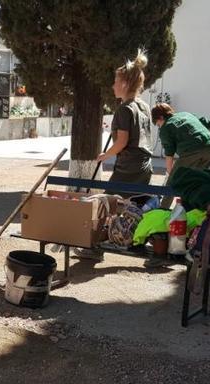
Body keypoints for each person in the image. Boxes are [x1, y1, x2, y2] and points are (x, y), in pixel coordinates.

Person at [74, 48, 153, 262]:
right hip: (145, 165)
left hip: (128, 166)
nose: (112, 85)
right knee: (133, 205)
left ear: (125, 84)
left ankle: (95, 248)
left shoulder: (125, 109)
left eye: (115, 81)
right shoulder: (144, 106)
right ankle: (133, 240)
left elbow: (122, 141)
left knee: (106, 202)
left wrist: (105, 155)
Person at [151, 103, 210, 208]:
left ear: (161, 117)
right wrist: (202, 141)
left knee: (173, 181)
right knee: (196, 181)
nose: (159, 127)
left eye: (158, 124)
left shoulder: (166, 127)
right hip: (209, 148)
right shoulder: (186, 114)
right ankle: (193, 208)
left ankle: (163, 209)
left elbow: (169, 154)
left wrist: (170, 172)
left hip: (191, 152)